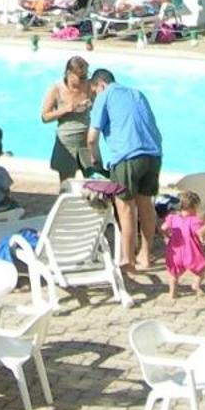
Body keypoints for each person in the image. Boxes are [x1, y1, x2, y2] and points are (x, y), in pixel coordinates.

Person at [88, 67, 164, 273]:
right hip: (153, 153)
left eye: (94, 91)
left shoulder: (104, 95)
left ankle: (127, 259)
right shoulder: (137, 93)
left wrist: (96, 160)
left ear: (100, 85)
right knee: (146, 204)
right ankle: (146, 255)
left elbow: (92, 138)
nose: (95, 96)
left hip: (127, 157)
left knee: (126, 207)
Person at [40, 55, 94, 181]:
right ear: (69, 74)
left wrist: (93, 105)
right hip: (66, 144)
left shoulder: (89, 86)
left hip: (86, 142)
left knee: (92, 183)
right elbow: (45, 117)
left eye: (86, 76)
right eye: (81, 77)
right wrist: (65, 109)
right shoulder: (57, 89)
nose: (84, 79)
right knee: (66, 184)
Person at [162, 189, 205, 298]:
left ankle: (172, 293)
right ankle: (196, 285)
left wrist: (166, 236)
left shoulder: (172, 218)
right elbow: (200, 232)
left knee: (173, 274)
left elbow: (163, 228)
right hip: (191, 252)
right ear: (192, 207)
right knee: (201, 270)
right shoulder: (193, 221)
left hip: (175, 252)